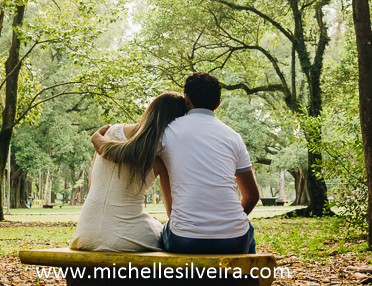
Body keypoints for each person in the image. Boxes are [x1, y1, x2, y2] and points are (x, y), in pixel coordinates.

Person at [92, 72, 260, 254]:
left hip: (185, 239)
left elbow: (127, 153)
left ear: (186, 100)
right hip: (234, 240)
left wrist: (97, 140)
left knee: (163, 230)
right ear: (218, 104)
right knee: (246, 233)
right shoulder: (234, 138)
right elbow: (251, 197)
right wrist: (227, 225)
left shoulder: (167, 132)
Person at [69, 92, 186, 252]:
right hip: (127, 237)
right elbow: (172, 211)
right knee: (163, 232)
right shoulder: (160, 154)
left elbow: (92, 185)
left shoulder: (108, 133)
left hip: (85, 233)